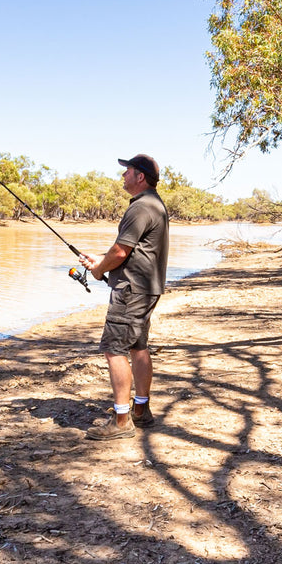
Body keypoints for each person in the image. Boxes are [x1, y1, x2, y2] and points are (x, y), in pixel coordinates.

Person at [78, 154, 170, 441]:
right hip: (146, 288)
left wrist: (98, 270)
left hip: (131, 291)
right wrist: (100, 261)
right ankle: (140, 410)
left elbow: (120, 252)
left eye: (127, 171)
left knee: (114, 349)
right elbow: (130, 251)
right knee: (138, 347)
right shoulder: (154, 204)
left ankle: (121, 420)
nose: (123, 175)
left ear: (140, 176)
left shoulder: (141, 207)